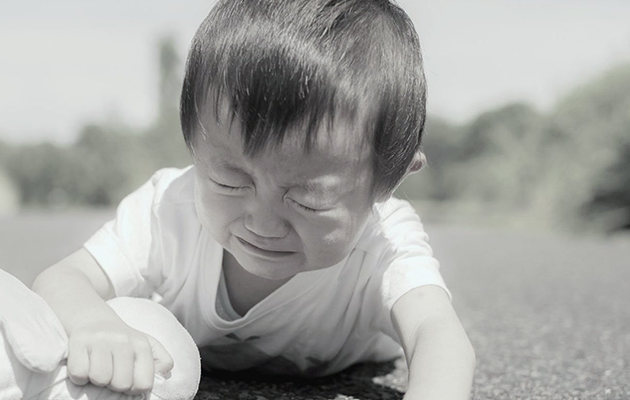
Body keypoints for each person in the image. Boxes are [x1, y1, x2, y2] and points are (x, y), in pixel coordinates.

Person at [33, 0, 476, 398]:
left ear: (390, 182)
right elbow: (64, 278)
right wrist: (94, 323)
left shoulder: (384, 241)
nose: (263, 223)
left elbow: (436, 333)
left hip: (359, 358)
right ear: (193, 145)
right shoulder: (169, 209)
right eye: (229, 181)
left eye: (309, 200)